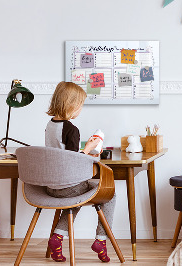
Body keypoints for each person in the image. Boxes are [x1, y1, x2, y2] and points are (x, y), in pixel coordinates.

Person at [45, 81, 115, 263]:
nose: (80, 109)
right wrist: (89, 149)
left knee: (75, 198)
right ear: (71, 105)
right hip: (68, 186)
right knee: (110, 194)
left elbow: (62, 154)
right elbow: (72, 161)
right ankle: (101, 240)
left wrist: (84, 149)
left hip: (51, 186)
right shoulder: (71, 129)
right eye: (80, 105)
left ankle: (57, 238)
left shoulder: (50, 125)